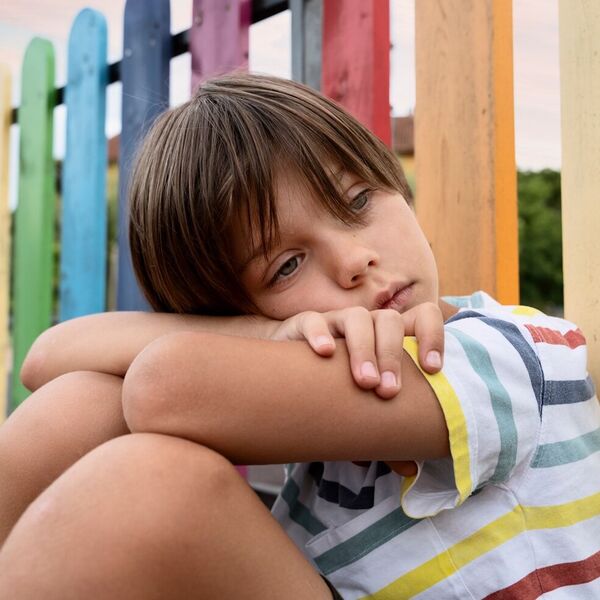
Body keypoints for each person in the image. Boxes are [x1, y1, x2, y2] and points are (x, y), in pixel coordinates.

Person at [0, 73, 598, 599]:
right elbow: (46, 359)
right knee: (77, 406)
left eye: (358, 200)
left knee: (146, 480)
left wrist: (246, 338)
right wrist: (267, 332)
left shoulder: (507, 354)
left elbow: (161, 388)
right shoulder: (315, 433)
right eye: (287, 266)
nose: (354, 260)